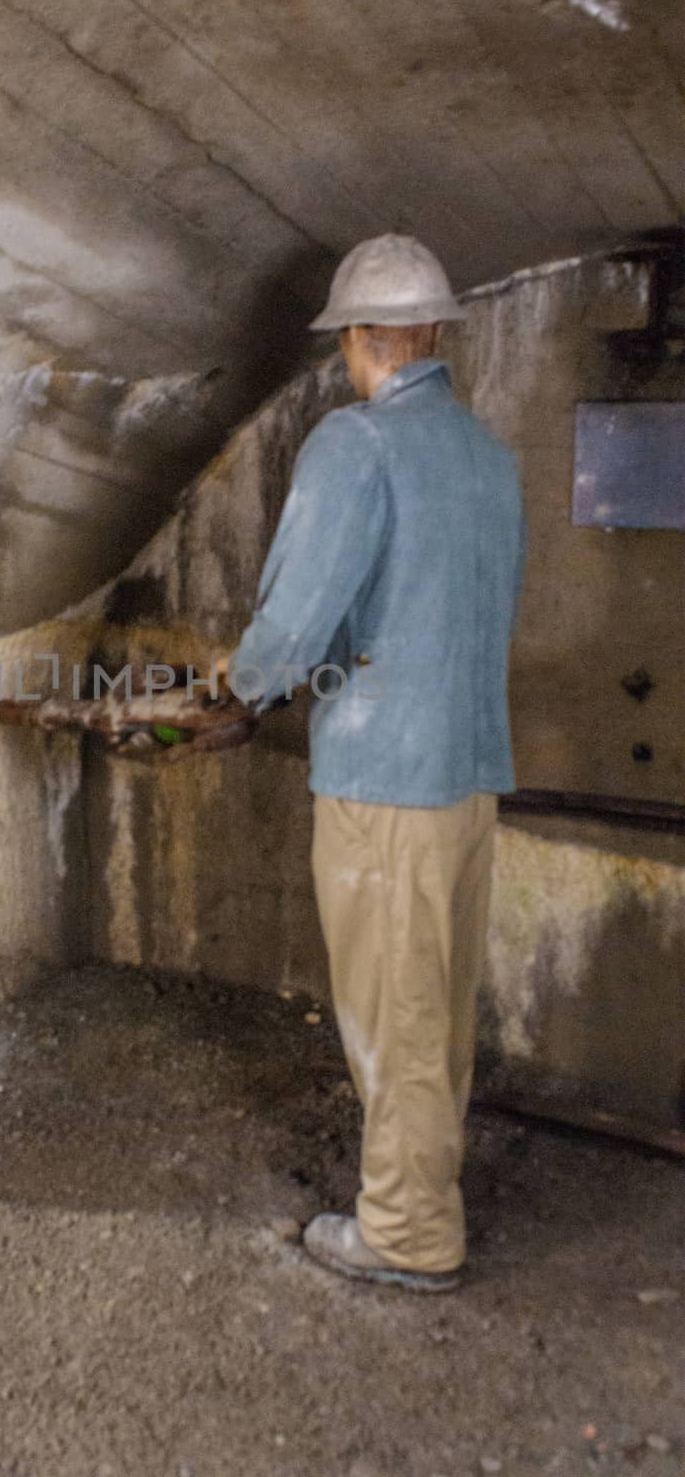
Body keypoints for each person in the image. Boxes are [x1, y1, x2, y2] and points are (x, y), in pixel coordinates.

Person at [220, 233, 526, 1294]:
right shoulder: (488, 457)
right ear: (432, 332)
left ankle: (406, 1233)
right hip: (468, 775)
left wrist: (241, 690)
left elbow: (299, 611)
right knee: (433, 1007)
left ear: (357, 340)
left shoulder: (355, 445)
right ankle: (423, 1191)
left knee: (390, 1010)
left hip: (385, 780)